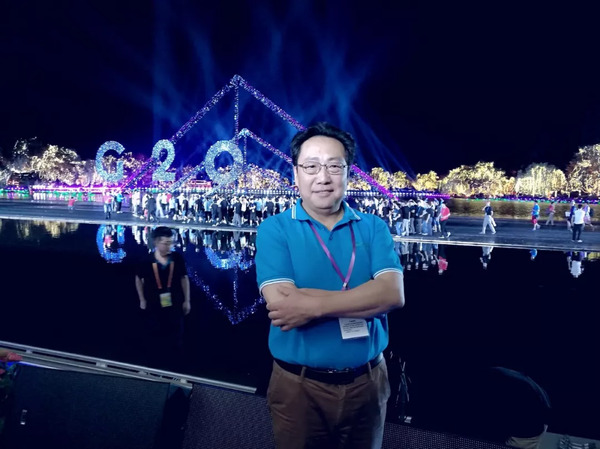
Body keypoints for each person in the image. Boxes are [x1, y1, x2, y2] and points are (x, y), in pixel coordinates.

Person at [256, 122, 405, 449]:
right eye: (311, 166)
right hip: (298, 386)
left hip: (368, 382)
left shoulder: (373, 227)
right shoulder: (275, 229)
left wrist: (310, 305)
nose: (323, 177)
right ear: (296, 174)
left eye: (334, 166)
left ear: (348, 173)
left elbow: (392, 294)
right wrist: (365, 297)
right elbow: (283, 306)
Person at [135, 226, 191, 370]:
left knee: (176, 336)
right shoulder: (147, 260)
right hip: (154, 305)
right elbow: (138, 278)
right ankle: (154, 367)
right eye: (165, 243)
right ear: (156, 242)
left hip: (174, 304)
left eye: (170, 243)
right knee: (155, 336)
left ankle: (174, 368)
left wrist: (187, 300)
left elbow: (184, 278)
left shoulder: (176, 258)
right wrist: (142, 299)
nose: (168, 246)